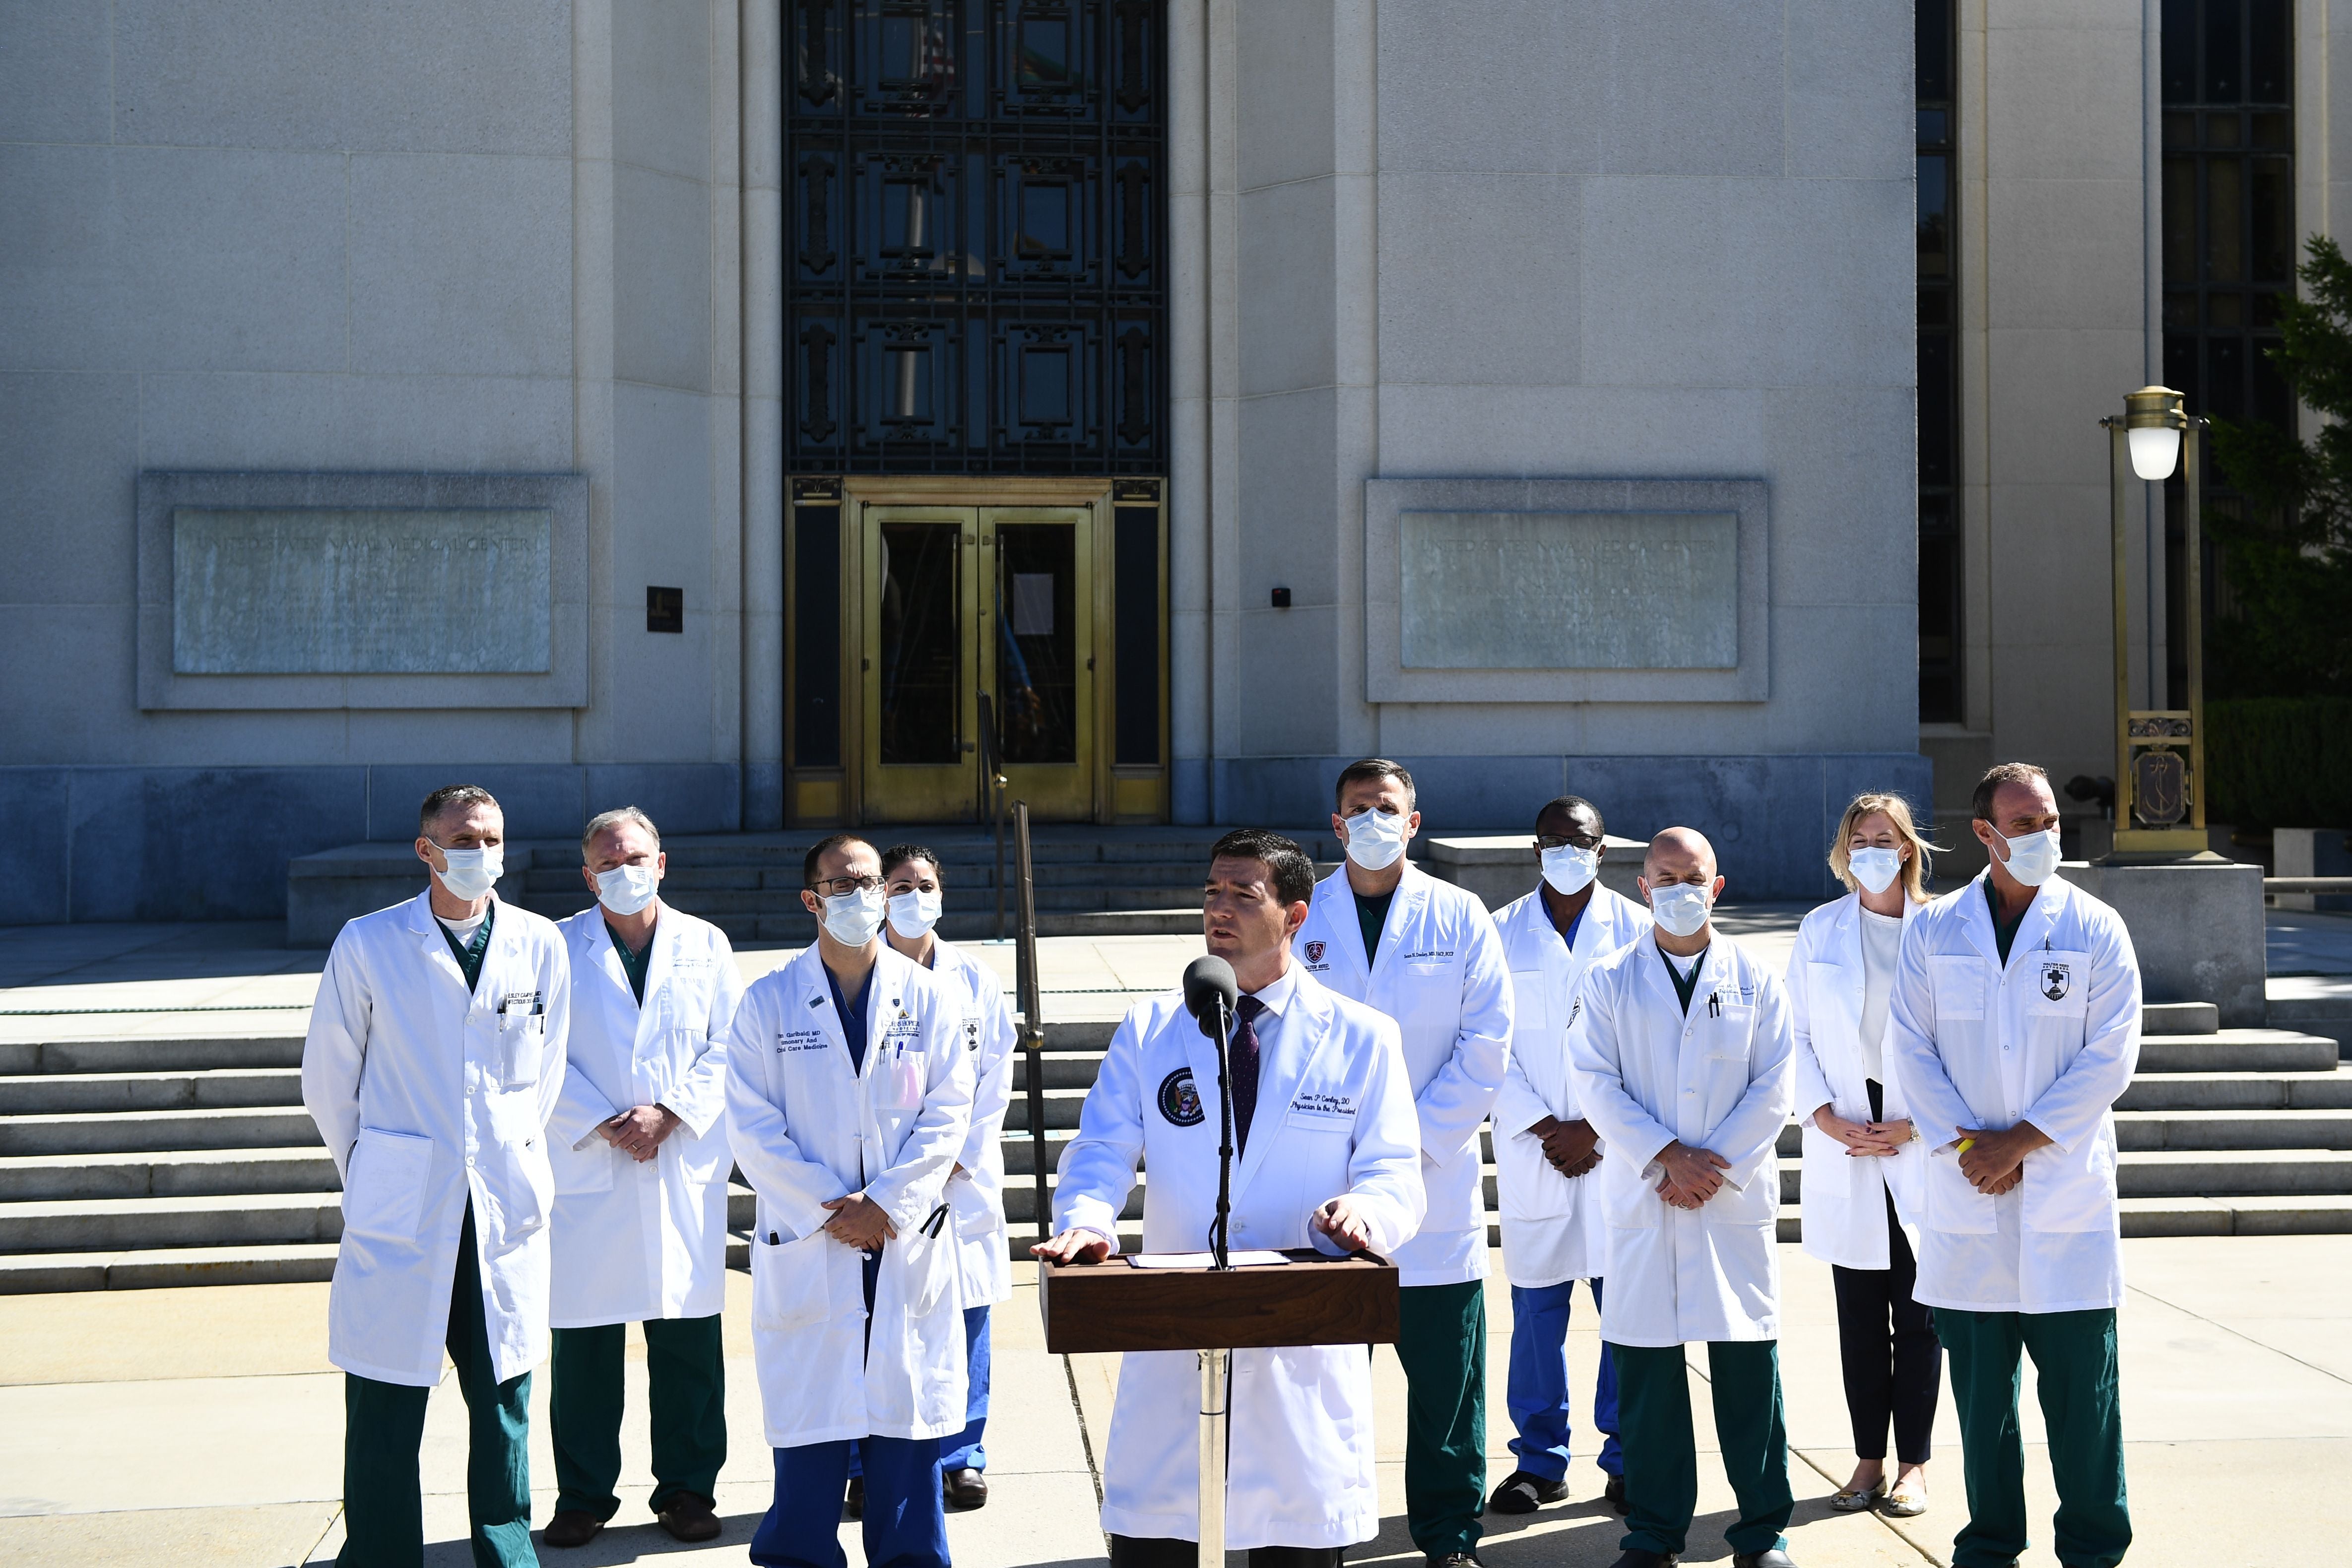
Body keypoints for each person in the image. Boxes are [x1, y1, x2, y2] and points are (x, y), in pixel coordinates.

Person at [1035, 829, 1427, 1568]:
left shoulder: (1363, 1038)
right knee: (1160, 1538)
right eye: (1213, 892)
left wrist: (1366, 1213)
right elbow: (1100, 1151)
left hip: (1298, 1341)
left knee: (1293, 1542)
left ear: (1296, 915)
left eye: (1244, 896)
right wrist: (1087, 1223)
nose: (1219, 909)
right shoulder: (1153, 1029)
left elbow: (1395, 1171)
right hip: (1175, 1330)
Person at [301, 784, 571, 1568]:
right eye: (462, 840)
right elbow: (328, 1075)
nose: (479, 853)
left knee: (503, 1399)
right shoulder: (370, 941)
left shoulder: (537, 943)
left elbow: (545, 1073)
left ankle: (506, 1549)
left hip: (501, 1203)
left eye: (490, 838)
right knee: (386, 1394)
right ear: (427, 850)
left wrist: (507, 1150)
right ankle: (381, 1555)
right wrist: (375, 1168)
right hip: (404, 1208)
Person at [1888, 763, 2141, 1568]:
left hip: (2063, 1198)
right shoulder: (1934, 931)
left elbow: (2112, 1056)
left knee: (2082, 1401)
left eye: (2051, 823)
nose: (2044, 837)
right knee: (1982, 1404)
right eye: (2025, 825)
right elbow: (1912, 1048)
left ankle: (2095, 1550)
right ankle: (1991, 1546)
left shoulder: (2096, 927)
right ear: (1986, 835)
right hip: (1969, 1198)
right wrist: (1973, 1149)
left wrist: (2022, 1141)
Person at [725, 832, 975, 1568]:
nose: (865, 897)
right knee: (811, 1438)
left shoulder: (929, 997)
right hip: (817, 1242)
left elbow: (948, 1111)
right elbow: (751, 1125)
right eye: (844, 885)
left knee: (905, 1442)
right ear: (812, 900)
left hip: (901, 1241)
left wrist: (888, 1206)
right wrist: (836, 1209)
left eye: (873, 883)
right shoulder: (767, 1002)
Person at [1295, 760, 1512, 1568]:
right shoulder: (1301, 911)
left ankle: (1449, 1534)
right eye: (1360, 809)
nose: (1374, 819)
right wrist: (1347, 1155)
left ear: (1413, 823)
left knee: (1447, 1388)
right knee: (1319, 1382)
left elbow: (1487, 1044)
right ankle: (1319, 1529)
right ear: (1337, 823)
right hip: (1321, 1182)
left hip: (1432, 1178)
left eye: (1388, 808)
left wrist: (1402, 1150)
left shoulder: (1459, 915)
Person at [1567, 828, 1797, 1568]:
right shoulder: (1608, 978)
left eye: (1691, 876)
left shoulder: (1759, 978)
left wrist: (1710, 1168)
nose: (1678, 889)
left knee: (1747, 1376)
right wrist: (1668, 1159)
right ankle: (1654, 1534)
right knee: (1648, 1377)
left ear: (1717, 885)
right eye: (1663, 877)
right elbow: (1594, 1083)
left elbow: (1777, 1085)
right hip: (1647, 1198)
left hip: (1728, 1202)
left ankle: (1761, 1533)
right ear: (1641, 887)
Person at [541, 807, 743, 1549]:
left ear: (662, 864)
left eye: (637, 858)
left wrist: (671, 1113)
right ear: (586, 875)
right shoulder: (554, 947)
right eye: (608, 862)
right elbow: (535, 1051)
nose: (624, 872)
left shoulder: (706, 944)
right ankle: (583, 1495)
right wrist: (600, 1119)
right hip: (590, 1162)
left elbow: (733, 1045)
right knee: (586, 1340)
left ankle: (688, 1489)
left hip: (677, 1159)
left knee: (688, 1336)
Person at [1485, 795, 1650, 1518]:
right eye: (1553, 839)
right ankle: (1540, 1461)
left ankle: (1625, 1458)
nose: (1566, 850)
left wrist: (1597, 1129)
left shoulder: (1640, 930)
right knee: (1537, 1314)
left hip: (1616, 1153)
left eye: (1578, 840)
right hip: (1535, 1152)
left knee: (1626, 1313)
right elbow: (1485, 1042)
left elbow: (1650, 1047)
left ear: (1603, 849)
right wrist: (1547, 1125)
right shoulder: (1498, 933)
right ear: (1535, 848)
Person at [1789, 792, 1939, 1520]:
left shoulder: (1942, 928)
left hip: (1916, 1139)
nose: (1872, 848)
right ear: (1844, 850)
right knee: (1859, 1320)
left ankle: (1914, 1466)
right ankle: (1867, 1461)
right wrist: (1821, 1115)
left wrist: (1919, 1126)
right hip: (1845, 1138)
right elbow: (1795, 1036)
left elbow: (1961, 1042)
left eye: (1886, 837)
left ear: (1908, 847)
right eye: (1859, 838)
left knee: (1918, 1318)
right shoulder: (1819, 929)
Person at [872, 843, 1018, 1512]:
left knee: (966, 1314)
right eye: (899, 885)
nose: (913, 896)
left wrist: (958, 1154)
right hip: (880, 1174)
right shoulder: (853, 973)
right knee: (873, 1320)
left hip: (959, 1178)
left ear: (943, 892)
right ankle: (865, 1460)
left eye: (924, 884)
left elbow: (995, 1075)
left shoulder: (976, 979)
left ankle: (961, 1454)